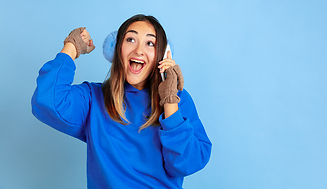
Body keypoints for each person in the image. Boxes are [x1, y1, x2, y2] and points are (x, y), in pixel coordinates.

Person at [31, 14, 212, 189]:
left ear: (163, 56)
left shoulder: (179, 99)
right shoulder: (94, 98)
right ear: (116, 50)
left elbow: (186, 164)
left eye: (150, 43)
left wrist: (170, 99)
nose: (139, 50)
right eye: (130, 40)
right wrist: (72, 47)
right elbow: (47, 100)